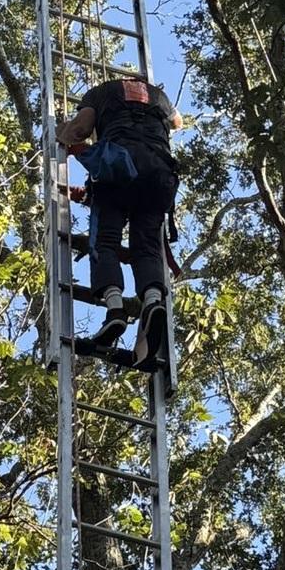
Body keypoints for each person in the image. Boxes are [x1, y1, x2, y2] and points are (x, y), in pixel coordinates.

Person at [56, 75, 179, 374]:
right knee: (147, 246)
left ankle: (114, 309)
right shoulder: (160, 98)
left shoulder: (101, 93)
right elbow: (178, 122)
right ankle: (152, 300)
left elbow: (81, 129)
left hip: (120, 169)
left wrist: (62, 134)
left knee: (105, 242)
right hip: (160, 174)